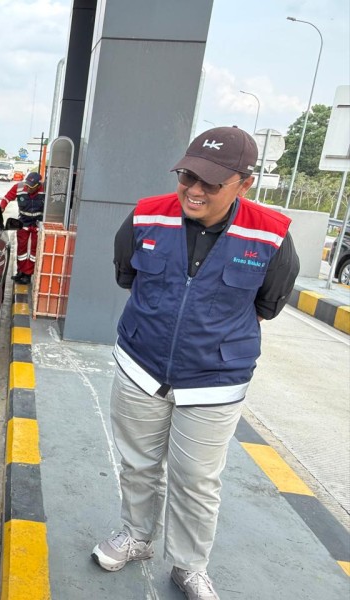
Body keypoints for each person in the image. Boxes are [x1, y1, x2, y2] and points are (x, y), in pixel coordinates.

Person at [91, 126, 299, 600]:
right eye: (188, 176)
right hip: (141, 366)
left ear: (245, 184)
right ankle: (137, 538)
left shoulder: (271, 235)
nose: (195, 190)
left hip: (215, 380)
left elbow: (267, 305)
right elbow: (127, 275)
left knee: (198, 480)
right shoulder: (146, 217)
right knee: (138, 463)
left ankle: (189, 565)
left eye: (211, 182)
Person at [0, 171, 45, 284]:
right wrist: (1, 209)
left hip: (37, 224)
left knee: (33, 251)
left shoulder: (45, 191)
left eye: (31, 186)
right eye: (27, 185)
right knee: (21, 249)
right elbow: (6, 198)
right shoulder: (19, 187)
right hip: (23, 222)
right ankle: (21, 271)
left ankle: (28, 274)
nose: (27, 188)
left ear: (38, 186)